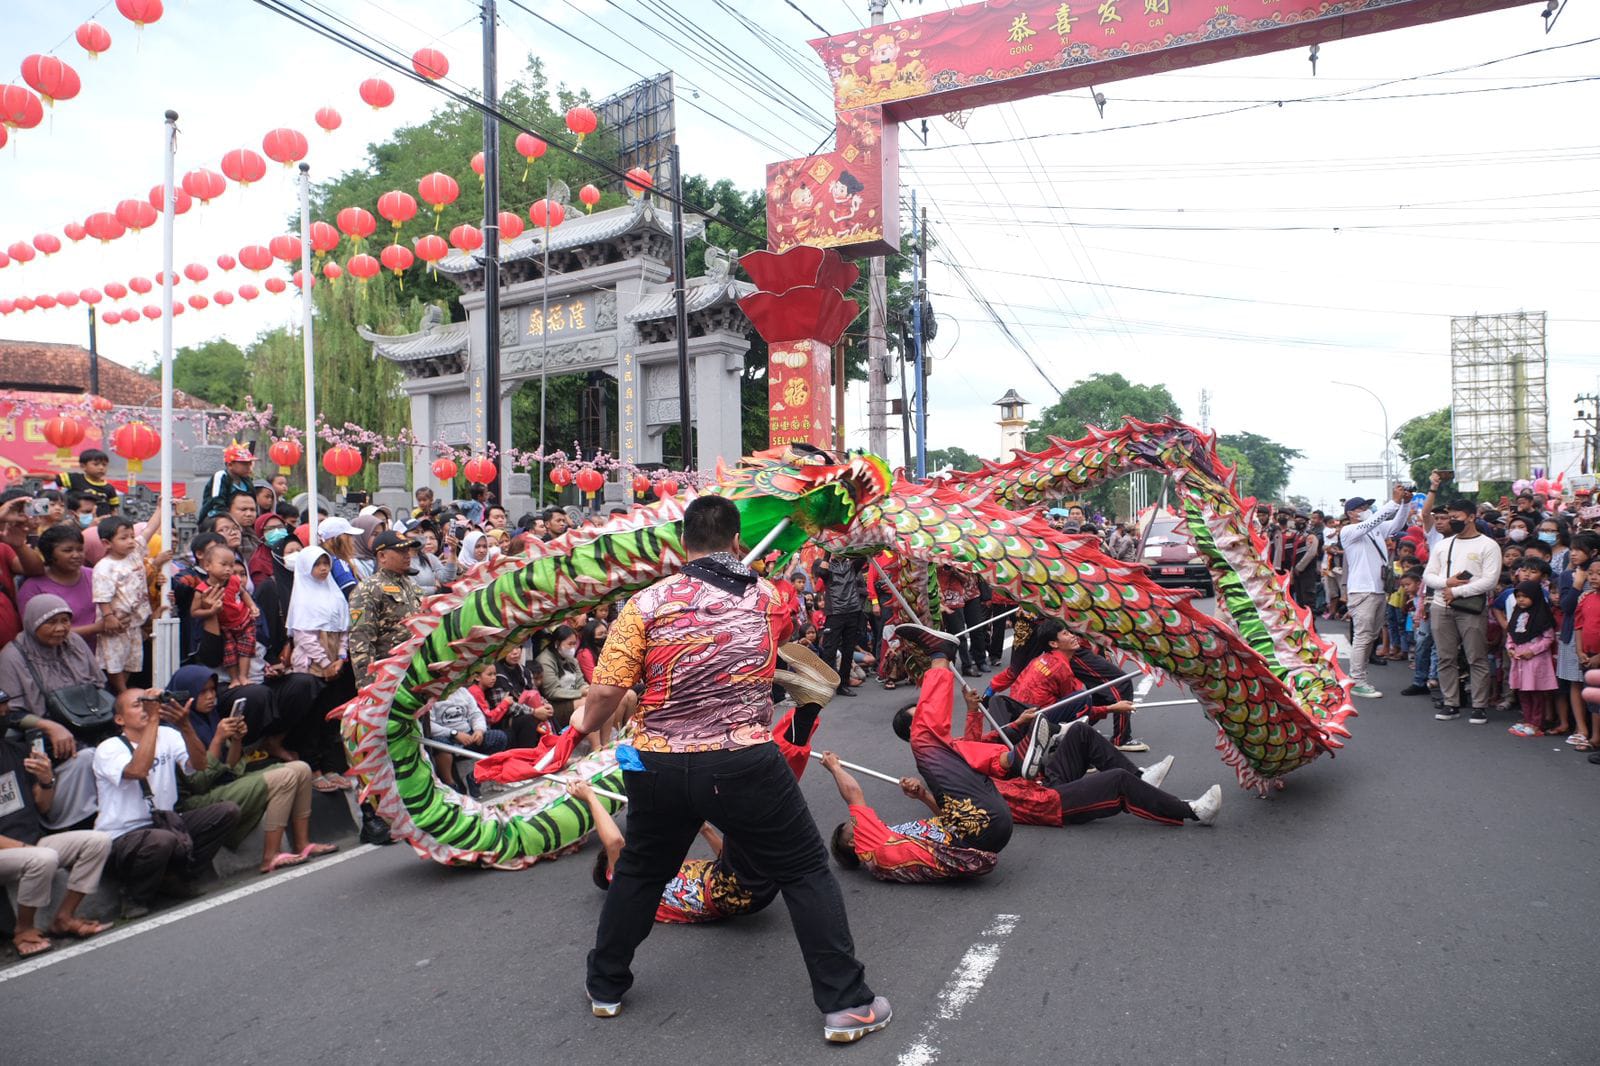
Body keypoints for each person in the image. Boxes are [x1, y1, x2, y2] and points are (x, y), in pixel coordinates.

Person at [572, 494, 886, 1043]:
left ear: (681, 543)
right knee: (805, 872)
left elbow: (605, 690)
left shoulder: (644, 604)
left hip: (656, 762)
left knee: (644, 871)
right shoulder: (769, 598)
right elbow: (782, 650)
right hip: (741, 758)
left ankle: (605, 986)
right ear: (738, 541)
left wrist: (580, 728)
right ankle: (846, 1005)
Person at [165, 666, 338, 872]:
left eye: (212, 690)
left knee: (301, 768)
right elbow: (199, 782)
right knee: (284, 777)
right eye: (202, 692)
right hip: (199, 801)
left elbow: (232, 767)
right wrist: (219, 739)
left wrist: (236, 740)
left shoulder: (209, 719)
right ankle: (270, 856)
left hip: (223, 785)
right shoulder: (174, 731)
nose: (211, 697)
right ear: (187, 694)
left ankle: (302, 844)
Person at [93, 689, 242, 917]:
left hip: (165, 824)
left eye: (149, 703)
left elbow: (200, 765)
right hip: (123, 836)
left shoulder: (167, 734)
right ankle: (134, 896)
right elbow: (138, 770)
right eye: (137, 704)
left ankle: (174, 877)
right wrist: (154, 718)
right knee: (162, 839)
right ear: (119, 719)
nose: (145, 707)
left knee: (227, 811)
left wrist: (185, 726)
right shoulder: (108, 748)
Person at [0, 715, 113, 957]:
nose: (3, 715)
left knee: (98, 841)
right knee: (42, 858)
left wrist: (46, 780)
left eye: (5, 709)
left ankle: (64, 917)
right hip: (15, 849)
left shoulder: (16, 751)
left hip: (32, 842)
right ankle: (24, 930)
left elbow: (43, 807)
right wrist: (23, 848)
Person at [821, 751, 998, 883]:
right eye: (852, 823)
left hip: (972, 835)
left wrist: (924, 796)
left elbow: (948, 823)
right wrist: (835, 767)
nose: (856, 820)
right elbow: (853, 795)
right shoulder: (871, 847)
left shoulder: (892, 839)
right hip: (979, 833)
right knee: (942, 765)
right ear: (853, 842)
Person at [1424, 497, 1504, 724]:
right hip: (1441, 606)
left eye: (1456, 517)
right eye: (1450, 517)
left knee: (1476, 656)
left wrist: (1458, 592)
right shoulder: (1443, 545)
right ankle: (1451, 702)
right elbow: (1428, 575)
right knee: (1445, 657)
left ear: (1471, 517)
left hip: (1470, 607)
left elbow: (1489, 581)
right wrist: (1446, 583)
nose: (1452, 521)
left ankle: (1479, 705)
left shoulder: (1488, 545)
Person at [1338, 482, 1418, 698]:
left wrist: (1404, 504)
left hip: (1378, 589)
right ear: (1351, 514)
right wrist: (1393, 501)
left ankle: (1360, 676)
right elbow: (1374, 521)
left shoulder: (1375, 530)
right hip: (1361, 591)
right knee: (1363, 636)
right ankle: (1357, 680)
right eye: (1362, 508)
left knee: (1371, 635)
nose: (1366, 511)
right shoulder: (1349, 531)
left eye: (1367, 507)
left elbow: (1397, 525)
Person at [90, 516, 151, 694]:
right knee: (114, 662)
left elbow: (148, 530)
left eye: (132, 536)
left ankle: (120, 693)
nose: (131, 541)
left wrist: (160, 509)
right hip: (117, 623)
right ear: (107, 543)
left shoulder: (134, 554)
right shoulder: (104, 567)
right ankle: (122, 693)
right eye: (124, 538)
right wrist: (108, 617)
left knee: (131, 661)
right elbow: (102, 596)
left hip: (135, 623)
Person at [19, 523, 102, 651]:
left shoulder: (95, 576)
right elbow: (37, 633)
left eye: (80, 549)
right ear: (50, 554)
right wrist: (97, 628)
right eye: (68, 550)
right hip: (57, 658)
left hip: (98, 655)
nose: (76, 555)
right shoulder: (33, 588)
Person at [190, 541, 259, 686]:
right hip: (225, 626)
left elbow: (244, 593)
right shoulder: (202, 589)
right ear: (207, 566)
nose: (228, 569)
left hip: (244, 620)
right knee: (230, 652)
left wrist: (252, 606)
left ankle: (244, 677)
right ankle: (234, 679)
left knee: (246, 648)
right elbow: (194, 612)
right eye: (224, 565)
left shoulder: (233, 580)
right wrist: (211, 611)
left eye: (231, 565)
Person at [535, 624, 589, 730]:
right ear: (557, 644)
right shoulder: (545, 660)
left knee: (599, 699)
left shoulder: (571, 659)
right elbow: (552, 691)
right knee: (587, 704)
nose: (573, 648)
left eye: (575, 644)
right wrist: (580, 693)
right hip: (555, 704)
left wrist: (587, 689)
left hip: (573, 698)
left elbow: (580, 681)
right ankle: (596, 744)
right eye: (570, 644)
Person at [199, 442, 257, 524]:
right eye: (244, 463)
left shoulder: (247, 481)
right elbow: (217, 502)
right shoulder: (221, 476)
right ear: (230, 465)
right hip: (216, 518)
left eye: (250, 463)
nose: (249, 466)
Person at [56, 448, 121, 516]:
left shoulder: (109, 488)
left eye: (104, 465)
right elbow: (51, 479)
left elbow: (114, 509)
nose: (101, 468)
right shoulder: (74, 479)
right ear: (83, 466)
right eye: (96, 464)